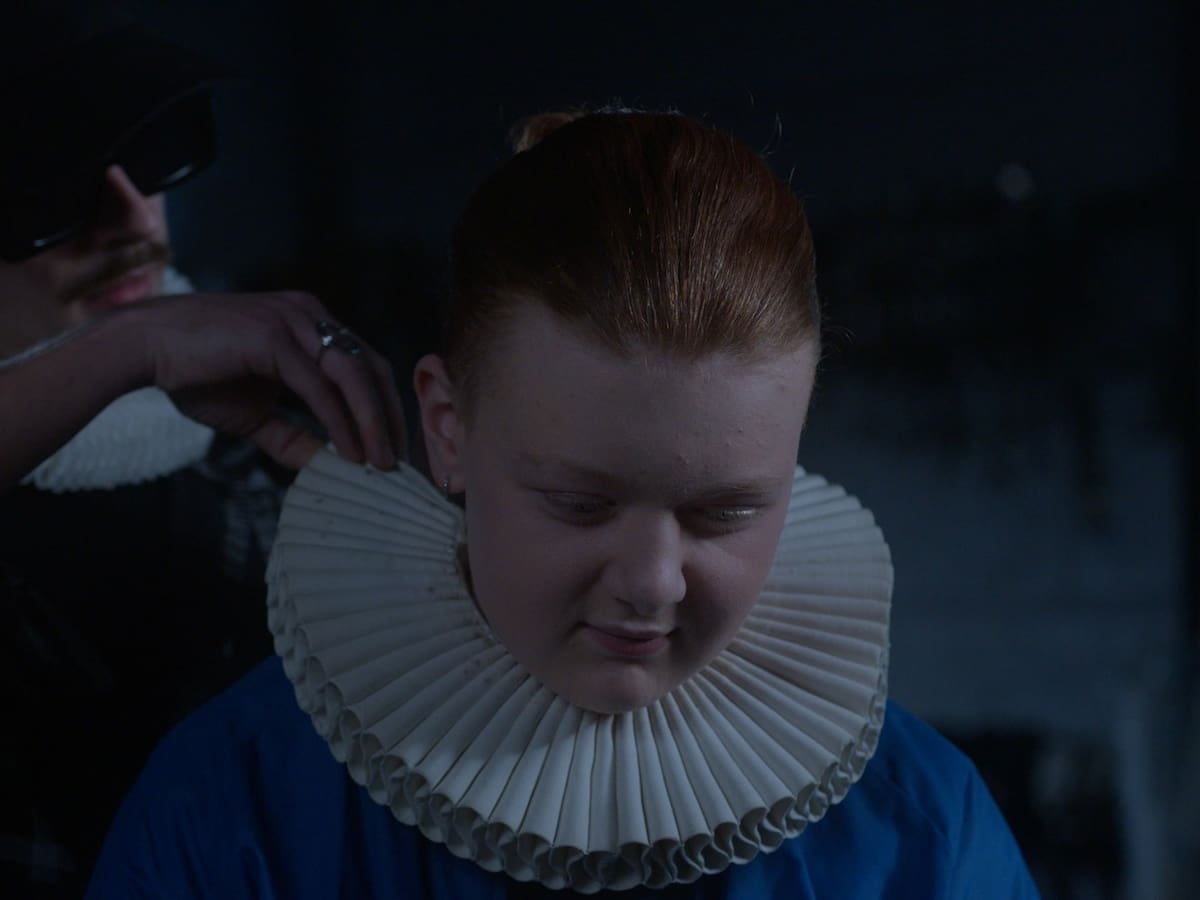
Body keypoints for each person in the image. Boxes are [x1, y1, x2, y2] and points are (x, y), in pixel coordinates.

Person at [86, 110, 1041, 898]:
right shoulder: (234, 812)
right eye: (579, 502)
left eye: (726, 513)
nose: (652, 585)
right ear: (447, 428)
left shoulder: (926, 832)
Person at [0, 8, 404, 895]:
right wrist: (127, 348)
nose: (131, 218)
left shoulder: (283, 407)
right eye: (46, 190)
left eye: (149, 155)